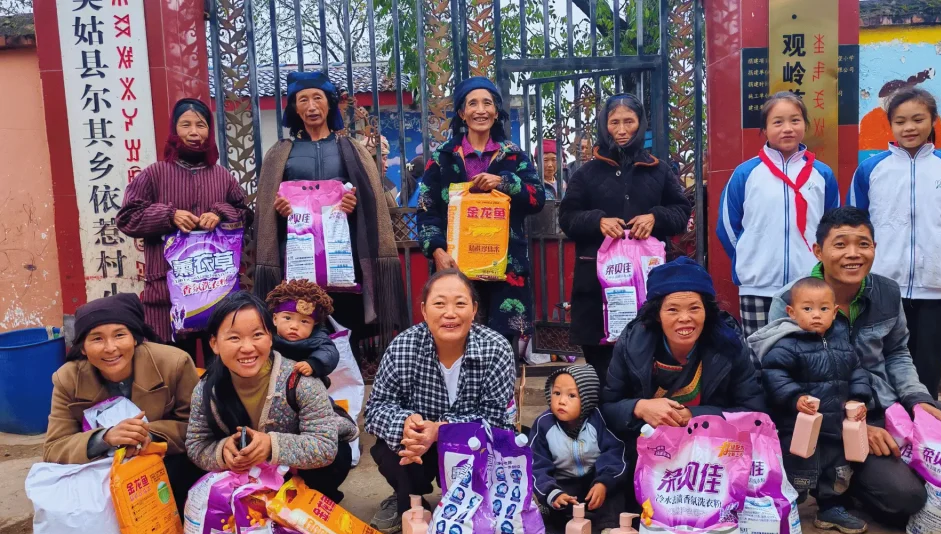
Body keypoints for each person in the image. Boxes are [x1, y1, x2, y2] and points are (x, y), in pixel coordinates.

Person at [768, 206, 941, 526]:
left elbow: (898, 353)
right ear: (818, 251)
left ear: (874, 248)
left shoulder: (887, 292)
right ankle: (847, 483)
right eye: (840, 244)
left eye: (863, 244)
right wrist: (855, 426)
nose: (853, 254)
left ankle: (919, 462)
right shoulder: (791, 300)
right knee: (906, 498)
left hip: (893, 404)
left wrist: (919, 401)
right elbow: (784, 380)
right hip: (837, 422)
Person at [252, 71, 408, 365]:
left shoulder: (351, 149)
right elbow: (266, 211)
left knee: (346, 328)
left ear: (329, 103)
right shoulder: (281, 153)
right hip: (296, 259)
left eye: (318, 98)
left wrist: (354, 204)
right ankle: (302, 378)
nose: (311, 106)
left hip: (343, 259)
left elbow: (372, 202)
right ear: (294, 108)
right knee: (297, 326)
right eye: (303, 100)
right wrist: (279, 210)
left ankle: (349, 377)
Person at [364, 268, 516, 534]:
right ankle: (408, 498)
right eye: (439, 304)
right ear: (424, 310)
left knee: (500, 443)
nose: (450, 313)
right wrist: (407, 424)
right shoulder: (403, 346)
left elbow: (496, 419)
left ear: (474, 309)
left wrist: (442, 429)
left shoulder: (496, 348)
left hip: (472, 449)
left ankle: (475, 498)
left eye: (460, 304)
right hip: (419, 451)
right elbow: (375, 409)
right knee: (389, 447)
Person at [849, 87, 941, 400]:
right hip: (883, 288)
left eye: (918, 119)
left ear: (933, 121)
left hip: (934, 289)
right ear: (890, 124)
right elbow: (856, 225)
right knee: (878, 365)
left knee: (927, 369)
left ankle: (924, 424)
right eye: (900, 121)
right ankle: (883, 421)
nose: (909, 127)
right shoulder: (871, 170)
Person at [559, 93, 691, 384]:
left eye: (629, 121)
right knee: (603, 370)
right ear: (604, 126)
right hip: (597, 287)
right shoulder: (586, 173)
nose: (621, 130)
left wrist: (655, 217)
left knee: (649, 360)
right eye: (614, 122)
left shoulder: (659, 170)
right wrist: (598, 221)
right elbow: (567, 217)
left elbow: (681, 212)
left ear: (640, 124)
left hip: (649, 282)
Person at [185, 291, 357, 503]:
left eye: (257, 335)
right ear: (214, 344)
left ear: (270, 338)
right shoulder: (205, 390)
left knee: (339, 456)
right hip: (241, 477)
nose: (247, 348)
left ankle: (317, 501)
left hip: (293, 475)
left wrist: (271, 446)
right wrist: (221, 453)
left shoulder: (300, 380)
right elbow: (196, 445)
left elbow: (325, 446)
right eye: (234, 338)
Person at [601, 257, 766, 476]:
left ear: (706, 311)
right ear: (657, 314)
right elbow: (608, 408)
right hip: (649, 459)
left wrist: (694, 416)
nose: (685, 318)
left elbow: (754, 412)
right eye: (672, 310)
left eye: (694, 308)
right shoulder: (632, 344)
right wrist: (640, 407)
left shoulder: (730, 345)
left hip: (714, 459)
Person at [116, 98, 252, 362]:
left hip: (215, 289)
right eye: (185, 125)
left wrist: (220, 213)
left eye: (200, 125)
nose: (193, 132)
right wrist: (169, 215)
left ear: (209, 131)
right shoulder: (155, 174)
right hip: (166, 293)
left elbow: (245, 214)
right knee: (172, 365)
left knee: (219, 362)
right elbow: (127, 218)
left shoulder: (222, 175)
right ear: (174, 130)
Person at [44, 293, 203, 513]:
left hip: (167, 465)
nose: (110, 348)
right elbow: (54, 447)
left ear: (135, 338)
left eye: (119, 335)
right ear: (82, 348)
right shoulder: (68, 379)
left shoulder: (174, 363)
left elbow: (198, 428)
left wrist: (147, 435)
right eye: (97, 339)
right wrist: (104, 438)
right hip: (104, 473)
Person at [416, 76, 545, 345]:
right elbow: (427, 209)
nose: (480, 110)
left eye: (487, 103)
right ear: (462, 113)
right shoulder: (442, 157)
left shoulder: (513, 156)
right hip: (456, 265)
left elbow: (537, 198)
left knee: (502, 344)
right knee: (455, 338)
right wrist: (437, 252)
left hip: (506, 268)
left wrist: (504, 182)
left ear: (496, 112)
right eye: (472, 104)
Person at [748, 277, 874, 534]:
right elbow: (774, 375)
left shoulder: (843, 344)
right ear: (791, 312)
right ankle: (787, 508)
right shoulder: (786, 344)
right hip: (798, 426)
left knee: (836, 469)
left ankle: (830, 508)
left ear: (835, 312)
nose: (816, 315)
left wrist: (858, 397)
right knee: (796, 466)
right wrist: (794, 398)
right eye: (807, 308)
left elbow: (857, 371)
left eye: (824, 308)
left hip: (836, 426)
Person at [716, 91, 841, 337]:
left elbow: (832, 228)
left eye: (795, 120)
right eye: (778, 122)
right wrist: (749, 258)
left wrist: (820, 268)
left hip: (809, 286)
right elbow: (727, 226)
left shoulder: (822, 174)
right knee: (760, 352)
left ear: (805, 124)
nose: (787, 129)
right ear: (764, 129)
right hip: (757, 286)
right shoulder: (746, 173)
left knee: (809, 353)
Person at [529, 364, 626, 534]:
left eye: (571, 396)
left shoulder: (600, 421)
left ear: (587, 399)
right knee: (555, 506)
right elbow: (536, 464)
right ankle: (555, 511)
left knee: (615, 494)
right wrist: (551, 492)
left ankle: (609, 532)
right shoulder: (543, 424)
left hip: (595, 481)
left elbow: (615, 452)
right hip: (564, 483)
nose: (561, 401)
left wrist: (603, 483)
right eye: (556, 393)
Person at [265, 279, 339, 380]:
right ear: (275, 319)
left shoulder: (319, 339)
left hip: (304, 383)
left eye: (304, 321)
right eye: (287, 318)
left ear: (314, 324)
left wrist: (313, 364)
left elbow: (329, 353)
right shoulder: (267, 335)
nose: (294, 326)